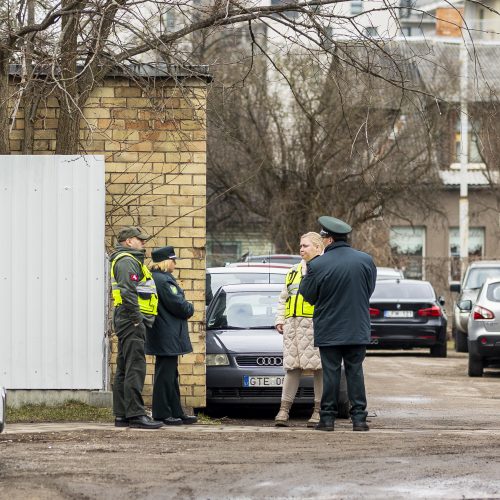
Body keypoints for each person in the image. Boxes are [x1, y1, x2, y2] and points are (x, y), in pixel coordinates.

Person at [300, 216, 377, 432]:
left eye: (323, 237)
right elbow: (368, 290)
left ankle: (327, 420)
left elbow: (308, 296)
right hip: (357, 327)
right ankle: (359, 419)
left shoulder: (317, 264)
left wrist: (309, 272)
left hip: (329, 328)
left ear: (329, 239)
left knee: (331, 373)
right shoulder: (365, 260)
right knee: (355, 372)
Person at [110, 226, 163, 429]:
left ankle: (122, 414)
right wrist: (136, 319)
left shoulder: (130, 260)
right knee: (135, 366)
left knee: (125, 366)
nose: (143, 243)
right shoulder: (126, 261)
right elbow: (128, 292)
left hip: (128, 319)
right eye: (140, 240)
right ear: (129, 241)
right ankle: (136, 414)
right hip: (131, 320)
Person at [274, 232, 324, 427]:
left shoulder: (323, 269)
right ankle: (284, 410)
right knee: (292, 368)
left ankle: (318, 411)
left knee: (319, 369)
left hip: (314, 325)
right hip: (293, 327)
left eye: (306, 246)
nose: (301, 249)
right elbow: (283, 298)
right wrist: (280, 319)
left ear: (319, 248)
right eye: (300, 246)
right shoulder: (293, 271)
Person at [145, 246, 198, 425]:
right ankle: (161, 413)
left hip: (164, 333)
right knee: (165, 376)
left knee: (170, 374)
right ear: (166, 261)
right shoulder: (164, 281)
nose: (175, 263)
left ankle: (176, 411)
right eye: (173, 260)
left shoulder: (158, 278)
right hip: (166, 333)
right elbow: (180, 306)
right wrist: (190, 307)